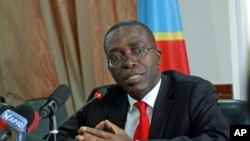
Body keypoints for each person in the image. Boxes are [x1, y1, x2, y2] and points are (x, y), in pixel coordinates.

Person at [54, 20, 229, 141]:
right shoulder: (101, 99)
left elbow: (217, 138)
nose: (128, 63)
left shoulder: (194, 92)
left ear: (158, 56)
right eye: (116, 57)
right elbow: (57, 136)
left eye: (138, 50)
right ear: (109, 67)